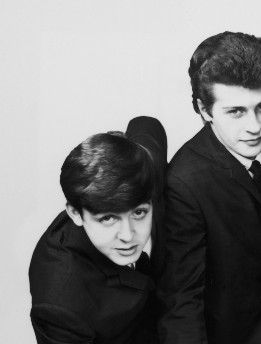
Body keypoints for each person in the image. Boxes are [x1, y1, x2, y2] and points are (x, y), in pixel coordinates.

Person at [157, 31, 261, 344]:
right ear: (204, 109)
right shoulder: (184, 181)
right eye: (236, 111)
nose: (255, 126)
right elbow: (182, 300)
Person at [29, 116, 167, 344]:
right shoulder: (60, 307)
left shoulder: (146, 171)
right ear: (75, 213)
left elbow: (146, 123)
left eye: (139, 213)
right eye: (109, 218)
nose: (128, 235)